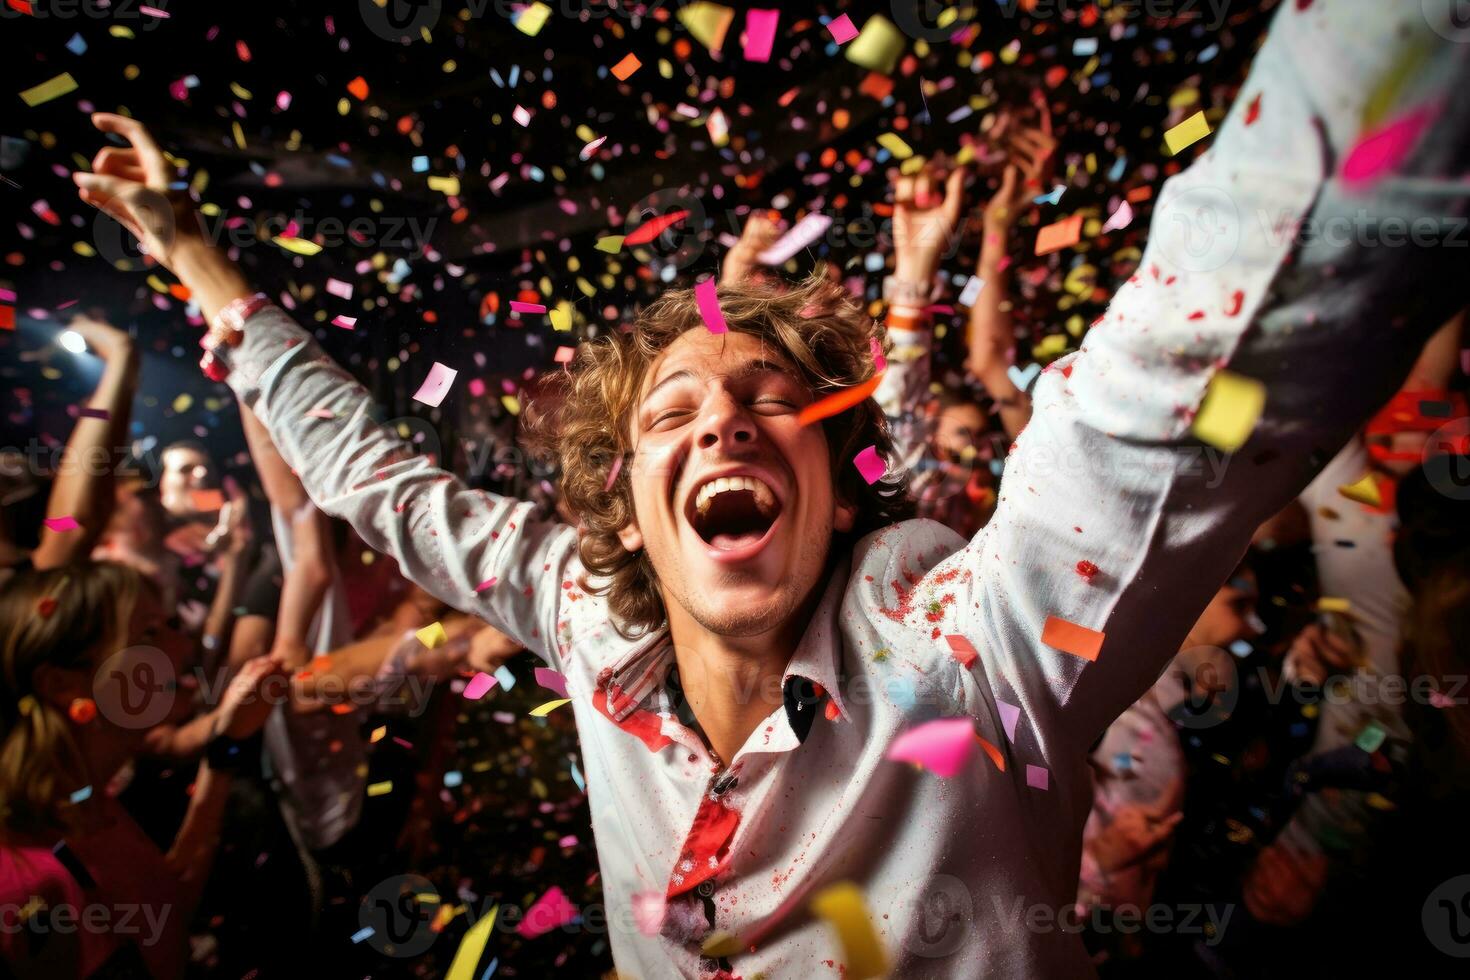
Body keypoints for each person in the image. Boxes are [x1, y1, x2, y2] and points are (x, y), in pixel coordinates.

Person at [71, 4, 1470, 976]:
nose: (727, 426)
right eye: (675, 410)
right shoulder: (577, 608)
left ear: (832, 479)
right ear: (622, 503)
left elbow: (1203, 346)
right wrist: (190, 250)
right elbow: (369, 475)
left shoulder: (974, 651)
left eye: (770, 406)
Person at [0, 562, 284, 978]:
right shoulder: (25, 882)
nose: (180, 644)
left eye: (170, 624)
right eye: (149, 635)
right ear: (64, 685)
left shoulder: (84, 799)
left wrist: (227, 743)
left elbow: (167, 910)